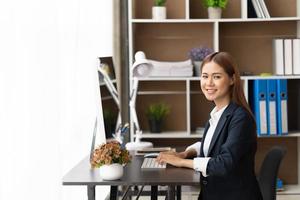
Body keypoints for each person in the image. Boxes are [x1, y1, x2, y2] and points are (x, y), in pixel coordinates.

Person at [156, 52, 262, 200]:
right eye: (205, 76)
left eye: (217, 77)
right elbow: (210, 143)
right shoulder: (218, 113)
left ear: (232, 79)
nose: (209, 83)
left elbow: (224, 164)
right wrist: (186, 153)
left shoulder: (240, 118)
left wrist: (181, 162)